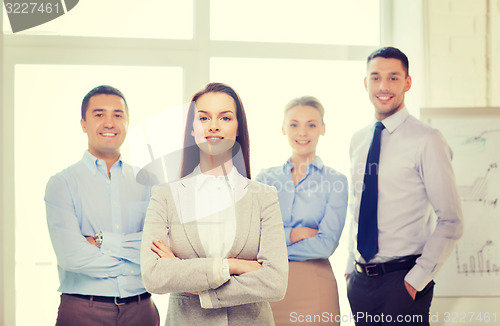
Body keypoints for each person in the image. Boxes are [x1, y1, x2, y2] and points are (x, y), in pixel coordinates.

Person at [140, 82, 288, 326]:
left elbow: (275, 282)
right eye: (203, 117)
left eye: (225, 117)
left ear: (238, 128)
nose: (214, 126)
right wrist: (233, 266)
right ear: (192, 128)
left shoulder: (264, 196)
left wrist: (190, 279)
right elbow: (154, 276)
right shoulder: (165, 196)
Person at [346, 47, 464, 326]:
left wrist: (415, 280)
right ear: (366, 83)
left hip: (403, 282)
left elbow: (451, 220)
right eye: (375, 77)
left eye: (393, 78)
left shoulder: (427, 139)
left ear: (407, 83)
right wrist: (350, 267)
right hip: (360, 283)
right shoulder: (358, 140)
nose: (383, 86)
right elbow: (358, 207)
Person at [45, 85, 160, 326]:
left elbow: (159, 247)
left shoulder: (149, 182)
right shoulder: (62, 184)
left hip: (141, 311)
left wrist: (100, 241)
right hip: (82, 311)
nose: (109, 122)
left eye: (117, 115)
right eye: (99, 114)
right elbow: (72, 257)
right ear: (83, 124)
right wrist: (136, 262)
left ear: (127, 122)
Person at [256, 96, 348, 326]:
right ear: (283, 128)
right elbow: (253, 236)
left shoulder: (336, 181)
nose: (302, 132)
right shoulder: (265, 179)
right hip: (267, 287)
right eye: (294, 124)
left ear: (323, 129)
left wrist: (271, 249)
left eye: (312, 124)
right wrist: (294, 234)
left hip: (315, 287)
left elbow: (326, 244)